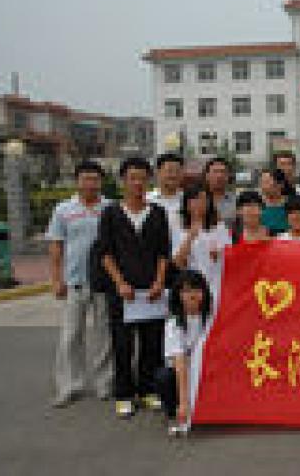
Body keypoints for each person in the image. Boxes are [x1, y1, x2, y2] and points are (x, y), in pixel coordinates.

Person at [99, 157, 170, 418]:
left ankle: (148, 390)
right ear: (123, 181)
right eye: (132, 178)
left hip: (151, 291)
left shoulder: (158, 213)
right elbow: (105, 253)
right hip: (123, 292)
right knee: (123, 344)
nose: (138, 183)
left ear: (149, 180)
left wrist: (159, 282)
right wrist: (119, 282)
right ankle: (124, 394)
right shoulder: (111, 213)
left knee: (152, 342)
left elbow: (163, 252)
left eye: (142, 177)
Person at [46, 160, 112, 407]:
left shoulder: (110, 208)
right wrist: (56, 279)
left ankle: (105, 384)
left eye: (95, 179)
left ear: (101, 181)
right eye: (85, 178)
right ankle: (69, 386)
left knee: (104, 336)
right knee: (71, 336)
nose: (90, 183)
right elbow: (56, 245)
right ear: (77, 181)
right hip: (75, 282)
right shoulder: (63, 210)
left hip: (104, 283)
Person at [155, 269, 212, 436]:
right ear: (178, 295)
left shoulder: (211, 316)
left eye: (197, 289)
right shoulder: (174, 323)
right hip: (183, 372)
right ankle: (175, 411)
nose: (192, 295)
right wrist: (184, 402)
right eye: (186, 291)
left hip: (206, 371)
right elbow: (179, 364)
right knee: (164, 376)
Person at [171, 183, 231, 305]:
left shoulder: (219, 227)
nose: (200, 203)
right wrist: (190, 237)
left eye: (204, 199)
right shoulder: (179, 228)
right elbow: (177, 262)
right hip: (192, 288)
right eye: (195, 199)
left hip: (217, 285)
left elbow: (229, 255)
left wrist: (218, 254)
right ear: (187, 204)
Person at [147, 153, 185, 232]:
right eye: (169, 171)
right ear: (158, 172)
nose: (173, 175)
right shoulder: (147, 200)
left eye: (177, 171)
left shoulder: (189, 200)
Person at [203, 157, 236, 227]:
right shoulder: (196, 200)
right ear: (207, 175)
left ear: (228, 176)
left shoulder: (236, 201)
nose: (219, 176)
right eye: (215, 171)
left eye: (223, 172)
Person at [258, 168, 289, 236]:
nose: (262, 186)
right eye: (261, 182)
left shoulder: (291, 204)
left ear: (280, 184)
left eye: (266, 182)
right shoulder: (257, 205)